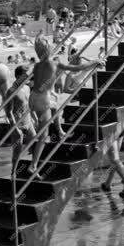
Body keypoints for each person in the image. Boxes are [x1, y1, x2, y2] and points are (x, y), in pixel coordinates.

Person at [28, 34, 103, 174]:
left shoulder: (37, 65)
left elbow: (38, 81)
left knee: (55, 106)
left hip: (33, 97)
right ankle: (33, 165)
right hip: (42, 100)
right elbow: (78, 68)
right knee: (43, 136)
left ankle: (61, 132)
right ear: (48, 49)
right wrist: (94, 61)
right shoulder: (54, 63)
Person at [5, 65, 36, 178]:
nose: (29, 76)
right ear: (19, 76)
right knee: (17, 152)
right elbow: (9, 112)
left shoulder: (27, 87)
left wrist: (34, 117)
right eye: (26, 75)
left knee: (35, 144)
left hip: (28, 122)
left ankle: (33, 168)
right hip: (17, 125)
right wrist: (15, 128)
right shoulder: (11, 91)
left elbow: (28, 105)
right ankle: (13, 173)